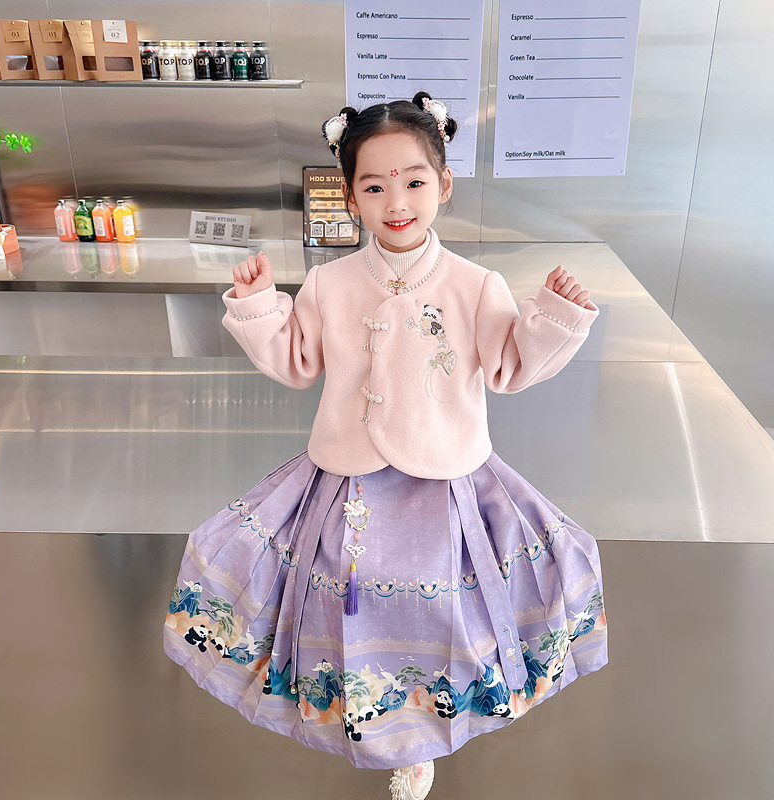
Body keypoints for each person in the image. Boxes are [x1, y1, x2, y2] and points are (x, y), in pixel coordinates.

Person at [163, 91, 608, 800]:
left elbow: (512, 367)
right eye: (373, 187)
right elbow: (296, 362)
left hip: (447, 478)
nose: (395, 202)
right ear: (349, 197)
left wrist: (556, 315)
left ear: (444, 184)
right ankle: (357, 718)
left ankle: (424, 734)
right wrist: (257, 306)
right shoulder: (329, 282)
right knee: (341, 602)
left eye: (413, 181)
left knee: (443, 609)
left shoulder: (475, 285)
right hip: (345, 479)